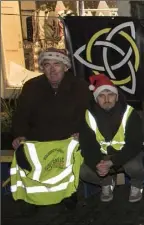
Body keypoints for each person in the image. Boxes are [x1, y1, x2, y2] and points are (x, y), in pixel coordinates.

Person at [10, 48, 91, 212]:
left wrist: (82, 133)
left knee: (71, 154)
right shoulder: (31, 87)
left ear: (65, 67)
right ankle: (34, 198)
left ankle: (69, 194)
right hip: (39, 141)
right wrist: (19, 135)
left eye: (57, 64)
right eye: (47, 65)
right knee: (26, 155)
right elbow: (21, 115)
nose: (52, 69)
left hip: (68, 140)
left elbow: (89, 116)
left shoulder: (80, 87)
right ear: (42, 67)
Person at [79, 74, 144, 203]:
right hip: (102, 156)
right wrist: (97, 164)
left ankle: (137, 184)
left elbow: (134, 144)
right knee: (83, 171)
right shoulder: (88, 115)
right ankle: (107, 182)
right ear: (96, 99)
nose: (107, 99)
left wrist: (113, 162)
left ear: (117, 97)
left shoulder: (130, 113)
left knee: (136, 167)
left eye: (110, 95)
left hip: (126, 154)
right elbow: (87, 145)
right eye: (102, 96)